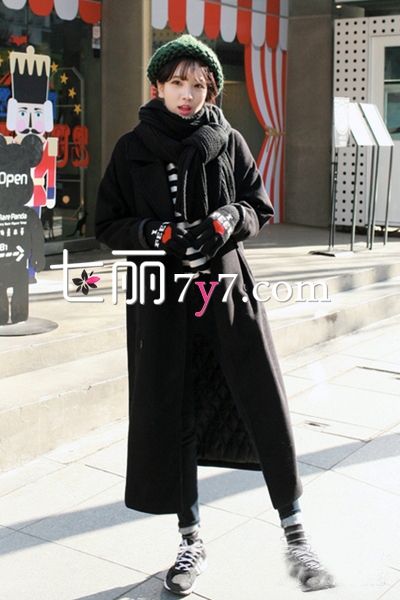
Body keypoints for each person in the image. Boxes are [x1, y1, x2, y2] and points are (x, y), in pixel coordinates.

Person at [95, 34, 335, 596]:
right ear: (157, 86)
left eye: (199, 86)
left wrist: (229, 219)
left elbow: (258, 205)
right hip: (161, 303)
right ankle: (190, 539)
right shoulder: (131, 148)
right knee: (173, 411)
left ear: (211, 91)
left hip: (225, 295)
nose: (187, 95)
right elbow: (107, 223)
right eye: (177, 83)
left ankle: (296, 534)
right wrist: (158, 233)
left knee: (263, 404)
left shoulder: (229, 140)